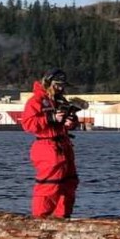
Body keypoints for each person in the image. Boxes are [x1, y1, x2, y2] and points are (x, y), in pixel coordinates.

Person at [19, 69, 80, 218]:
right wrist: (50, 118)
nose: (61, 88)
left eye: (62, 86)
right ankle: (40, 219)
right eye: (57, 85)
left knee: (69, 183)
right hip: (46, 147)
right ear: (48, 83)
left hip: (64, 145)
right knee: (50, 184)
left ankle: (62, 218)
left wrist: (71, 122)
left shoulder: (61, 100)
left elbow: (66, 124)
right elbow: (28, 124)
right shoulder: (36, 101)